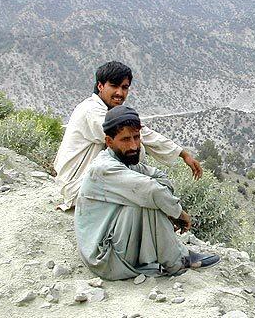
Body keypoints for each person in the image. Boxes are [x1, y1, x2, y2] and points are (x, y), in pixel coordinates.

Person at [75, 105, 220, 279]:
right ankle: (177, 261)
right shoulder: (104, 168)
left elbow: (159, 177)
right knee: (145, 198)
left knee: (148, 194)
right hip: (104, 258)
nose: (134, 146)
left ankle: (165, 256)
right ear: (109, 141)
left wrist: (166, 204)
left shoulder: (126, 160)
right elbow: (151, 190)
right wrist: (179, 214)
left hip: (115, 245)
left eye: (136, 137)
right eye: (126, 139)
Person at [54, 61, 202, 210]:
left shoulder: (105, 110)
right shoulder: (92, 111)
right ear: (100, 86)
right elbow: (131, 135)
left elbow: (140, 132)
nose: (120, 93)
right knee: (144, 194)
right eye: (114, 86)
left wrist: (182, 154)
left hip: (90, 181)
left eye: (124, 87)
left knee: (153, 184)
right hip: (78, 186)